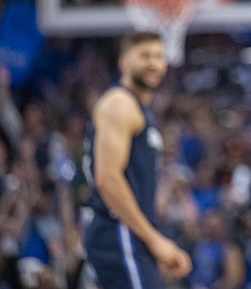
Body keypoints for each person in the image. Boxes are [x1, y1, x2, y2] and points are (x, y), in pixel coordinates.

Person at [82, 31, 192, 288]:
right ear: (123, 62)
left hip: (129, 235)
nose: (153, 63)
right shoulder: (120, 103)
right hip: (118, 230)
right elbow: (108, 179)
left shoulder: (139, 110)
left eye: (158, 56)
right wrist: (155, 241)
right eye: (144, 56)